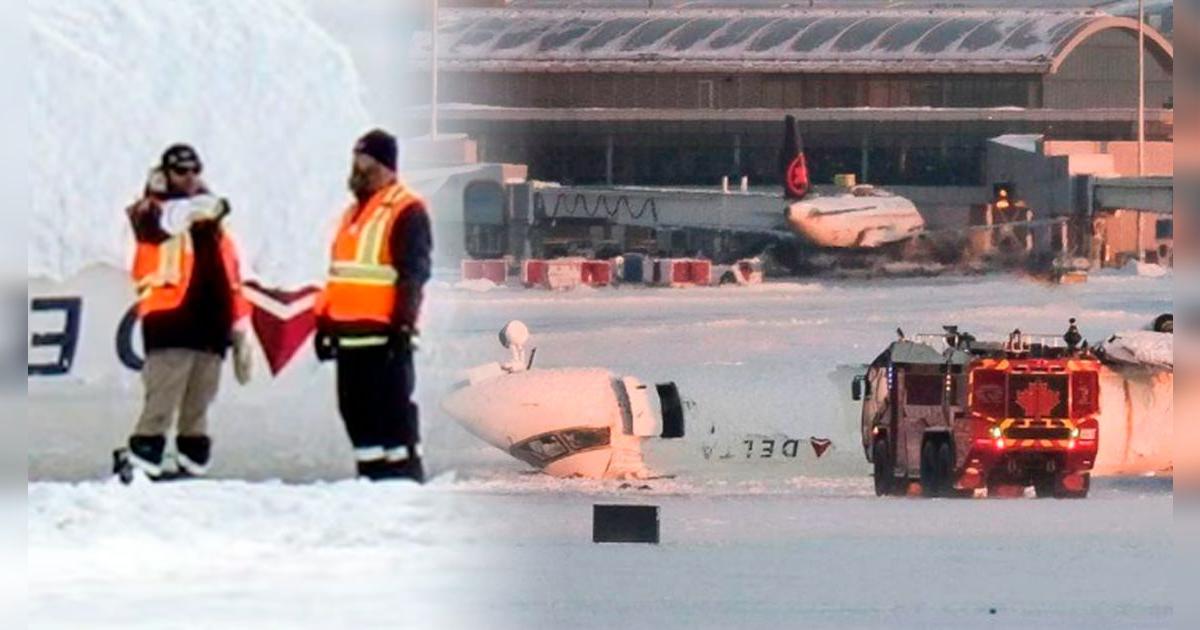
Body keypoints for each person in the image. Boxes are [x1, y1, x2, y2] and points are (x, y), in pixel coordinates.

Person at [114, 144, 254, 481]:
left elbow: (232, 276)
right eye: (180, 171)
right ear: (166, 173)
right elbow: (159, 226)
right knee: (162, 401)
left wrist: (239, 325)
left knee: (199, 404)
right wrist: (195, 208)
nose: (189, 178)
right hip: (171, 320)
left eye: (195, 171)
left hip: (211, 325)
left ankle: (191, 470)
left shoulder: (214, 224)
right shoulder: (149, 209)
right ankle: (141, 466)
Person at [313, 129, 432, 482]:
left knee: (392, 413)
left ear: (386, 166)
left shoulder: (406, 210)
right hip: (349, 336)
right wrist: (324, 324)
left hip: (384, 336)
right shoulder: (352, 214)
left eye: (366, 162)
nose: (359, 169)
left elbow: (413, 274)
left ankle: (403, 479)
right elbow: (339, 275)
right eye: (356, 162)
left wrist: (404, 326)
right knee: (355, 413)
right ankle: (370, 480)